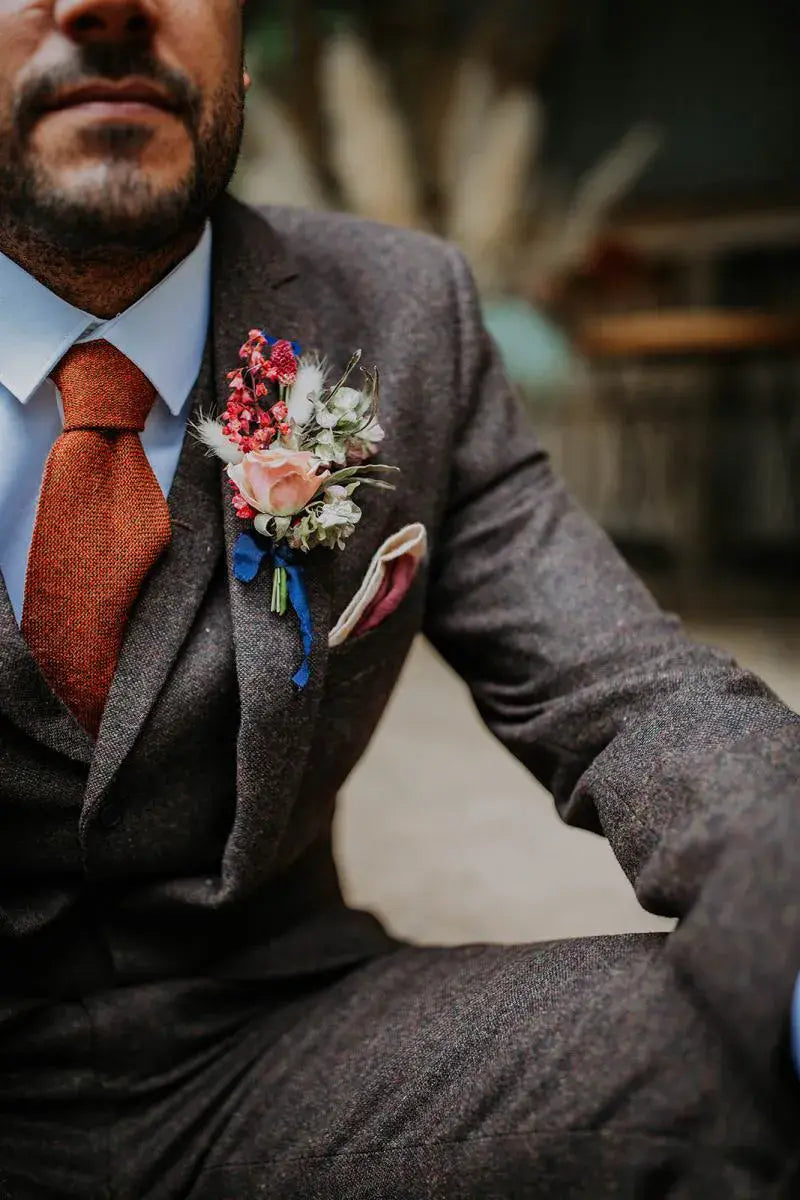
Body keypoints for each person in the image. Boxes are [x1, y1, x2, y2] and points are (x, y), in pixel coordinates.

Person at [0, 2, 798, 1197]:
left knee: (750, 1047)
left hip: (273, 1047)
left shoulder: (401, 313)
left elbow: (627, 694)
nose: (107, 3)